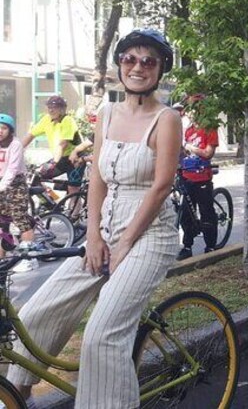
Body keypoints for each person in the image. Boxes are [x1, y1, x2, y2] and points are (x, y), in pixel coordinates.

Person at [8, 28, 182, 408]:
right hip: (104, 228)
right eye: (129, 59)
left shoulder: (167, 119)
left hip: (151, 233)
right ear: (119, 64)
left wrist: (123, 245)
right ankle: (16, 396)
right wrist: (94, 235)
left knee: (102, 335)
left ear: (160, 69)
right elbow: (98, 177)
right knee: (37, 313)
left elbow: (161, 187)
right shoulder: (106, 114)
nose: (138, 67)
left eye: (148, 61)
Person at [176, 95, 219, 260]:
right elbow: (184, 152)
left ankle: (210, 246)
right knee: (186, 214)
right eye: (188, 109)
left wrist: (189, 147)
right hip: (186, 176)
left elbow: (208, 153)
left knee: (207, 213)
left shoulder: (210, 128)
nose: (189, 112)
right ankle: (187, 246)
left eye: (192, 108)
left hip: (202, 178)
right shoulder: (189, 130)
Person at [21, 95, 85, 196]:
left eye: (54, 107)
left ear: (62, 109)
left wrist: (54, 162)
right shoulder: (46, 119)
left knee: (73, 188)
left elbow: (62, 144)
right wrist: (17, 150)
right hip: (60, 158)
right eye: (49, 107)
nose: (51, 110)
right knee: (36, 177)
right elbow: (31, 135)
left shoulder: (68, 120)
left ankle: (74, 210)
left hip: (75, 158)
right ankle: (53, 201)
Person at [0, 113, 39, 272]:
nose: (0, 131)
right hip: (2, 183)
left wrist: (1, 186)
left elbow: (12, 169)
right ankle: (2, 260)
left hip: (15, 184)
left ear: (10, 130)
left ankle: (30, 258)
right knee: (3, 222)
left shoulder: (15, 145)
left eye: (3, 128)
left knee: (19, 219)